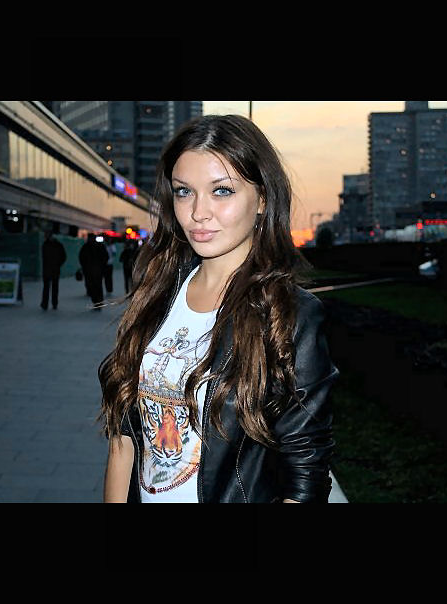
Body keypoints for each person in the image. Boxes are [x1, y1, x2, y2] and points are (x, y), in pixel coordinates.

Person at [98, 114, 340, 503]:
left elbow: (306, 472)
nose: (198, 212)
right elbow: (123, 438)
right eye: (184, 191)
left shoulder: (289, 314)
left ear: (262, 199)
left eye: (221, 191)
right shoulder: (156, 294)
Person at [79, 233, 109, 309]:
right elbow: (105, 257)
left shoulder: (87, 247)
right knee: (96, 286)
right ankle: (98, 302)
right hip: (94, 270)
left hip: (93, 270)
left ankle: (97, 302)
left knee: (94, 286)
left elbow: (82, 258)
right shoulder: (98, 246)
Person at [40, 230, 67, 310]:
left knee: (49, 287)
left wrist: (58, 264)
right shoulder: (54, 245)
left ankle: (49, 303)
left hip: (51, 269)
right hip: (52, 269)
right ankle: (50, 303)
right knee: (51, 287)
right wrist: (58, 264)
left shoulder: (48, 245)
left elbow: (63, 256)